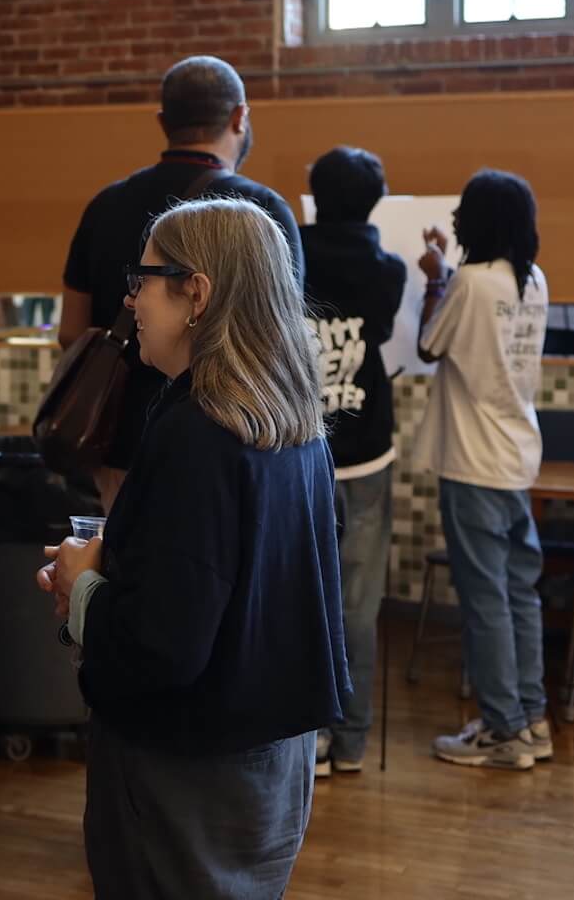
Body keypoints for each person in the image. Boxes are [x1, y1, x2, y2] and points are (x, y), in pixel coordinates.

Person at [40, 197, 345, 899]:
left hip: (187, 765)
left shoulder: (197, 431)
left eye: (143, 279)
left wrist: (83, 587)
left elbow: (163, 649)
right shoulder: (291, 420)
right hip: (272, 754)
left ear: (196, 293)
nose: (130, 298)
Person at [59, 56, 304, 509]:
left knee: (125, 571)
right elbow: (279, 338)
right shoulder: (262, 213)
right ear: (239, 117)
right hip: (236, 441)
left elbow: (71, 332)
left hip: (119, 441)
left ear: (163, 122)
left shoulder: (106, 205)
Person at [411, 170, 551, 771]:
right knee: (519, 593)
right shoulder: (533, 279)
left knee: (485, 599)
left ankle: (501, 731)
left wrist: (436, 278)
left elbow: (428, 346)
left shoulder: (470, 281)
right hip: (518, 456)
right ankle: (531, 719)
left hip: (473, 461)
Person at [300, 147, 406, 777]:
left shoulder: (289, 262)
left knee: (301, 598)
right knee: (357, 606)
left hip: (300, 451)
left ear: (314, 197)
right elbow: (385, 334)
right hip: (368, 449)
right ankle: (353, 740)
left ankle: (306, 738)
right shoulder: (386, 271)